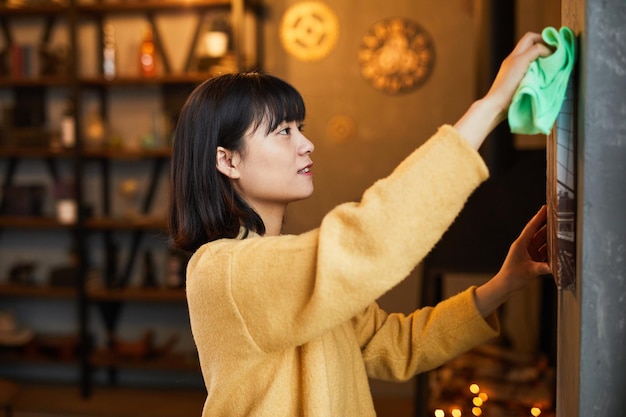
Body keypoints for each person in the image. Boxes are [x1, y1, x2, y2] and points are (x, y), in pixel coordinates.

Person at [168, 32, 553, 417]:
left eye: (300, 128)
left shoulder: (294, 268)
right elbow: (374, 237)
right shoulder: (222, 270)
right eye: (283, 131)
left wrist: (507, 281)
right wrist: (491, 105)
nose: (306, 144)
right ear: (227, 160)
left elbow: (398, 344)